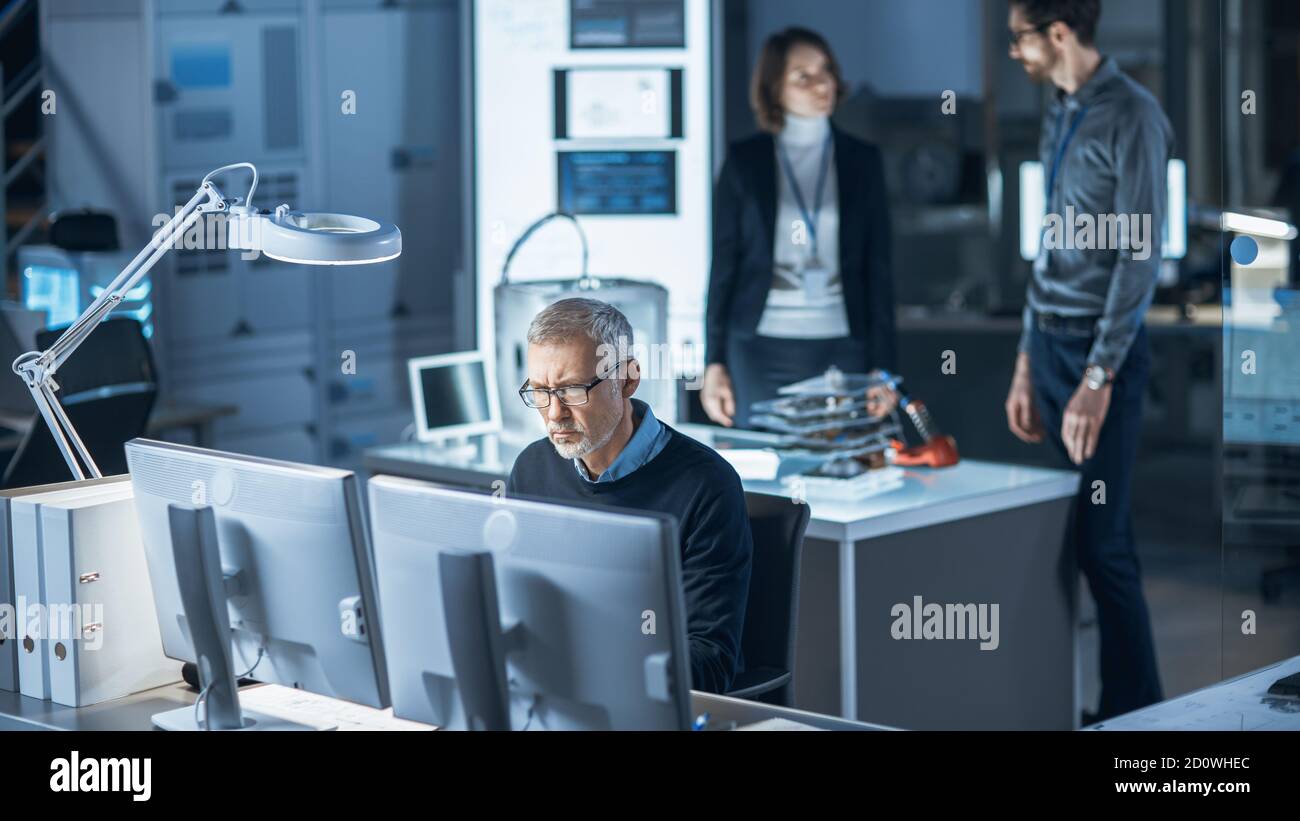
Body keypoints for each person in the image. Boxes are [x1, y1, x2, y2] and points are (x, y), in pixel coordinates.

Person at [1004, 0, 1170, 721]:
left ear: (1059, 34)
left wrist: (1097, 377)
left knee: (1105, 546)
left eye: (1021, 38)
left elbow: (1141, 255)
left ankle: (1136, 715)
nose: (1015, 52)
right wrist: (1022, 357)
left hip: (1100, 355)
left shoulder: (1133, 114)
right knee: (1053, 540)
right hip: (1047, 345)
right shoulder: (1062, 107)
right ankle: (1053, 701)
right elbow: (1050, 241)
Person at [506, 298, 753, 693]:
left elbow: (710, 660)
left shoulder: (707, 485)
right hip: (549, 696)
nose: (554, 414)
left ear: (628, 379)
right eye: (540, 391)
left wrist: (594, 668)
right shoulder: (532, 469)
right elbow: (515, 606)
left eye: (571, 390)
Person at [701, 26, 898, 429]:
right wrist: (714, 362)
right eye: (803, 76)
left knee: (845, 470)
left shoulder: (862, 160)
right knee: (763, 481)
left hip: (843, 346)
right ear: (775, 88)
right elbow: (724, 268)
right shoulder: (745, 161)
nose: (822, 83)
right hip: (758, 348)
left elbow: (878, 270)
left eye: (826, 70)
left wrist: (884, 367)